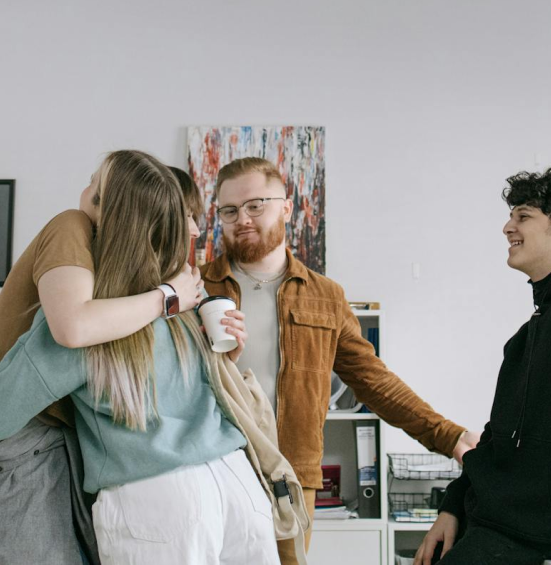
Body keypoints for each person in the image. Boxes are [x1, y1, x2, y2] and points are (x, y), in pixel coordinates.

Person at [0, 150, 279, 565]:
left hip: (160, 502)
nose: (83, 192)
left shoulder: (88, 321)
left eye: (94, 184)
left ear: (108, 212)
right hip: (238, 486)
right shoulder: (184, 302)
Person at [199, 157, 480, 565]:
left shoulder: (325, 296)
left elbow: (373, 381)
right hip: (209, 469)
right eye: (229, 210)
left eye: (255, 205)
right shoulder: (196, 287)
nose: (242, 219)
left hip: (290, 479)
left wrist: (448, 435)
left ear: (286, 208)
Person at [414, 167, 551, 565]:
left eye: (524, 216)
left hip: (532, 537)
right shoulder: (525, 339)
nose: (507, 227)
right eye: (511, 216)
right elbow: (497, 440)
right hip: (497, 526)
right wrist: (452, 506)